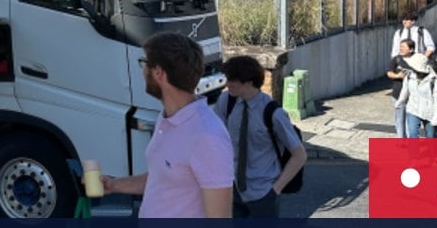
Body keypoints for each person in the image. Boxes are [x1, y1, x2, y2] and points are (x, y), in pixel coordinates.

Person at [102, 32, 233, 218]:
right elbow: (164, 178)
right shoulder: (167, 119)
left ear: (159, 73)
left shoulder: (207, 135)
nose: (142, 71)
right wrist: (114, 185)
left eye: (144, 63)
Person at [213, 56, 307, 218]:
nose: (227, 85)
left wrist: (275, 190)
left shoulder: (273, 113)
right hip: (232, 190)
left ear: (249, 82)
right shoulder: (226, 101)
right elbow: (215, 139)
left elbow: (299, 155)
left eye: (233, 81)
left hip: (262, 193)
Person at [397, 54, 437, 138]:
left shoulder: (432, 79)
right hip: (413, 109)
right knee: (413, 135)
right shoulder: (409, 76)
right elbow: (405, 90)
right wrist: (400, 102)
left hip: (429, 113)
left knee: (431, 138)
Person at [386, 39, 416, 137]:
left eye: (403, 47)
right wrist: (397, 76)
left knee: (410, 120)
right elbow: (389, 73)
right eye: (400, 46)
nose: (401, 48)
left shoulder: (417, 60)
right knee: (399, 119)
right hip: (397, 94)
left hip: (412, 96)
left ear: (411, 49)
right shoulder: (397, 59)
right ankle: (401, 140)